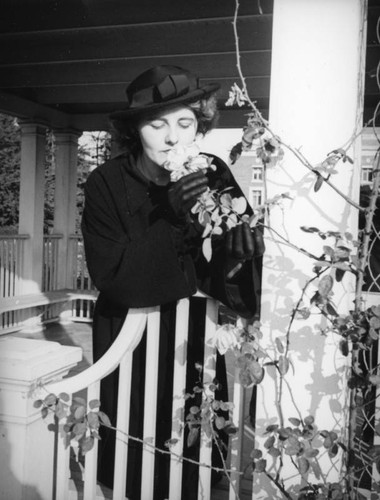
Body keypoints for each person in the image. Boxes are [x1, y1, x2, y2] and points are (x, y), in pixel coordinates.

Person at [81, 65, 264, 500]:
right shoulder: (106, 182)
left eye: (184, 123)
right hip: (130, 334)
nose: (172, 137)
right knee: (132, 445)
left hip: (193, 335)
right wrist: (169, 218)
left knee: (191, 448)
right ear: (134, 130)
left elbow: (229, 266)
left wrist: (238, 255)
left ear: (199, 125)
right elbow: (110, 275)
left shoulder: (212, 172)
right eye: (157, 124)